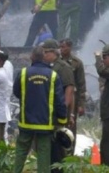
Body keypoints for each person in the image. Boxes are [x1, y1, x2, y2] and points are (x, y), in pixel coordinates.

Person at [13, 46, 67, 173]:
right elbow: (60, 100)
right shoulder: (53, 75)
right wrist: (62, 119)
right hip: (45, 124)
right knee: (44, 155)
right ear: (44, 57)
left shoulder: (23, 73)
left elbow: (16, 92)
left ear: (32, 57)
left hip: (26, 121)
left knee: (21, 151)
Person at [41, 39, 74, 173]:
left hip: (57, 113)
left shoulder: (63, 67)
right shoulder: (47, 66)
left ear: (53, 52)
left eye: (45, 52)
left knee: (57, 146)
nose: (43, 55)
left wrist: (64, 109)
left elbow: (69, 88)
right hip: (48, 112)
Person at [59, 38, 86, 153]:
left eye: (64, 47)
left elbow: (81, 85)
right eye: (60, 47)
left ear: (70, 47)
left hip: (72, 100)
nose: (61, 49)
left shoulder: (77, 63)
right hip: (59, 98)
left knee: (71, 127)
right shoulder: (57, 61)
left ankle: (70, 152)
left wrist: (81, 104)